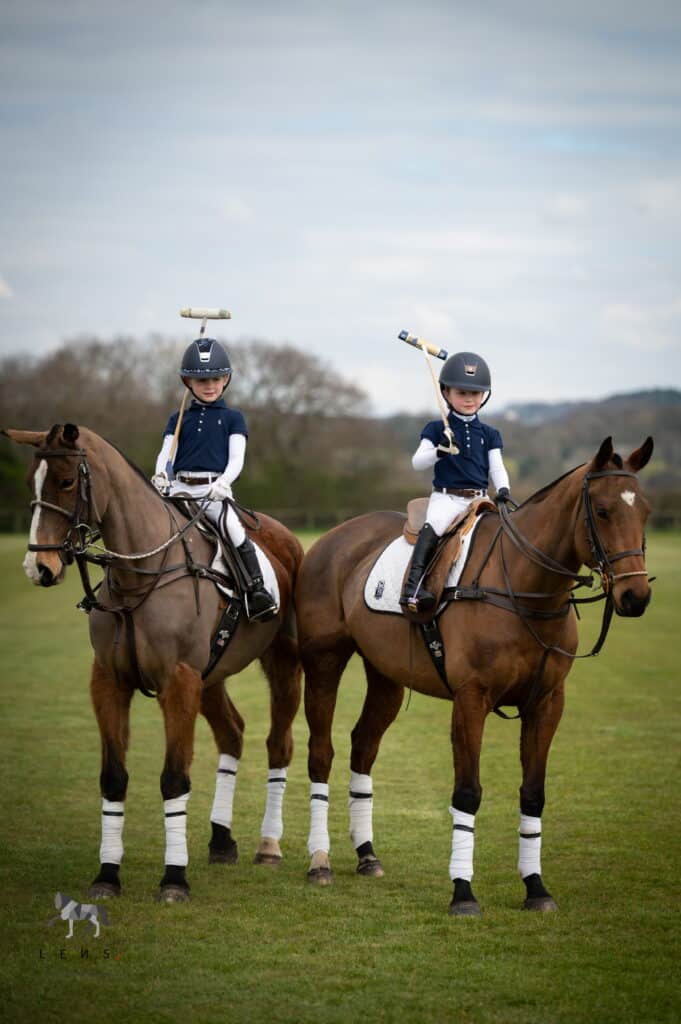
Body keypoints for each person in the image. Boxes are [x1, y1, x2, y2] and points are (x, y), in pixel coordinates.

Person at [152, 337, 277, 621]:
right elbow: (166, 453)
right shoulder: (178, 418)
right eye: (201, 380)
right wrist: (160, 475)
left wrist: (224, 482)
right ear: (188, 382)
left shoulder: (234, 418)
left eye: (216, 379)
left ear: (226, 380)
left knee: (233, 529)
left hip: (213, 491)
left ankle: (256, 590)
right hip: (179, 489)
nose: (209, 386)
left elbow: (237, 459)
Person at [400, 350, 512, 613]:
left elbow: (497, 467)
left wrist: (503, 489)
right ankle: (413, 588)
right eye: (462, 393)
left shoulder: (490, 433)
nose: (469, 399)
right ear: (446, 393)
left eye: (475, 393)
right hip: (447, 499)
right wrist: (440, 450)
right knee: (433, 527)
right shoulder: (436, 428)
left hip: (480, 500)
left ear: (484, 395)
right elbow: (417, 462)